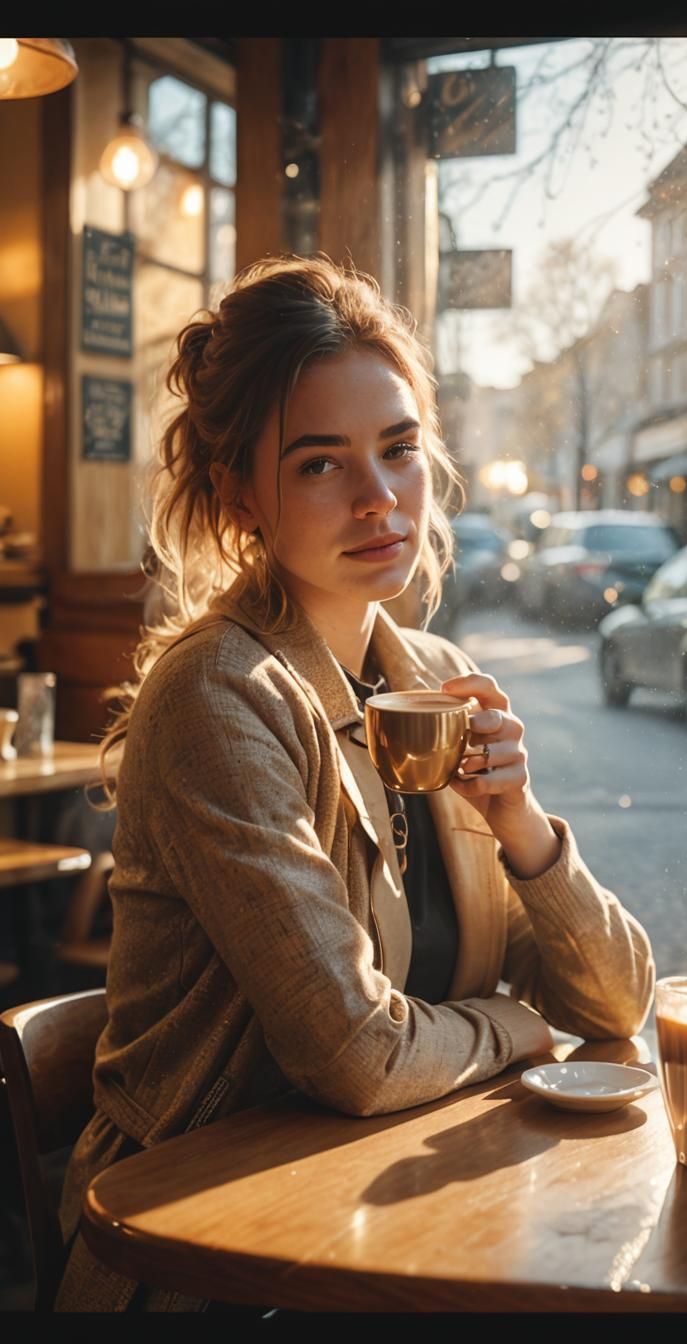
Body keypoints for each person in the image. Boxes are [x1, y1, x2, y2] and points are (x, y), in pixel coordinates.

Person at [55, 255, 654, 1313]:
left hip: (389, 1209)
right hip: (200, 1251)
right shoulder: (219, 694)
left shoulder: (429, 677)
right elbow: (358, 1056)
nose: (381, 499)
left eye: (399, 448)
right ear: (241, 489)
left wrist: (521, 828)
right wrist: (519, 1029)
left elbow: (616, 1001)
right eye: (321, 465)